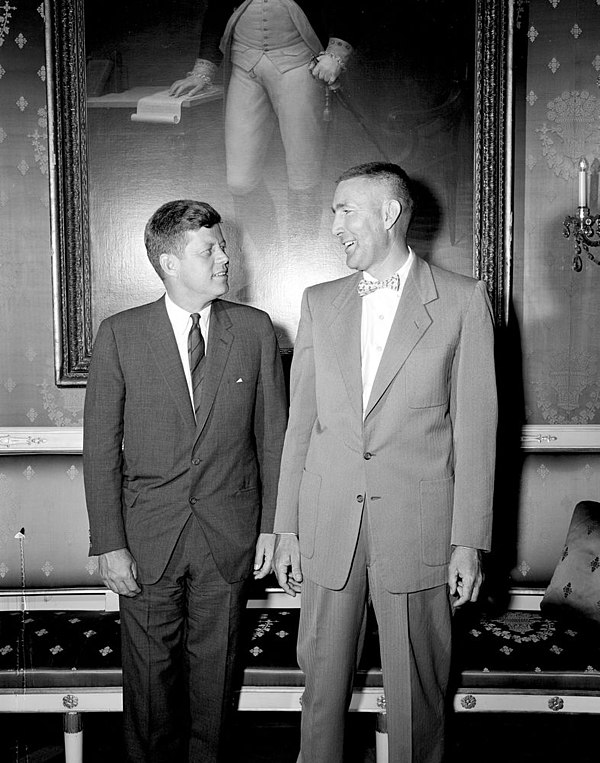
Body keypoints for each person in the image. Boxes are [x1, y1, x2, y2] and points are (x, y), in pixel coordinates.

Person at [273, 162, 497, 762]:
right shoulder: (319, 302)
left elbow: (477, 431)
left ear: (391, 214)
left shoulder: (463, 300)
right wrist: (287, 526)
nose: (334, 224)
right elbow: (302, 426)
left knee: (418, 699)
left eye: (347, 210)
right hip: (328, 527)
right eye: (333, 211)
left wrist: (468, 541)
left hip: (418, 531)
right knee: (319, 696)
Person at [83, 199, 288, 762]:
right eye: (211, 249)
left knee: (216, 682)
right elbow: (99, 450)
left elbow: (275, 439)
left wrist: (273, 528)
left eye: (223, 246)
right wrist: (110, 543)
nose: (226, 257)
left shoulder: (253, 330)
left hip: (229, 536)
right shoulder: (121, 335)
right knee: (148, 689)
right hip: (147, 540)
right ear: (170, 262)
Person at [169, 1, 360, 244]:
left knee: (304, 174)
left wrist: (336, 55)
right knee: (239, 180)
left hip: (299, 63)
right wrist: (202, 71)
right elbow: (217, 12)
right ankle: (267, 253)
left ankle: (300, 253)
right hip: (245, 66)